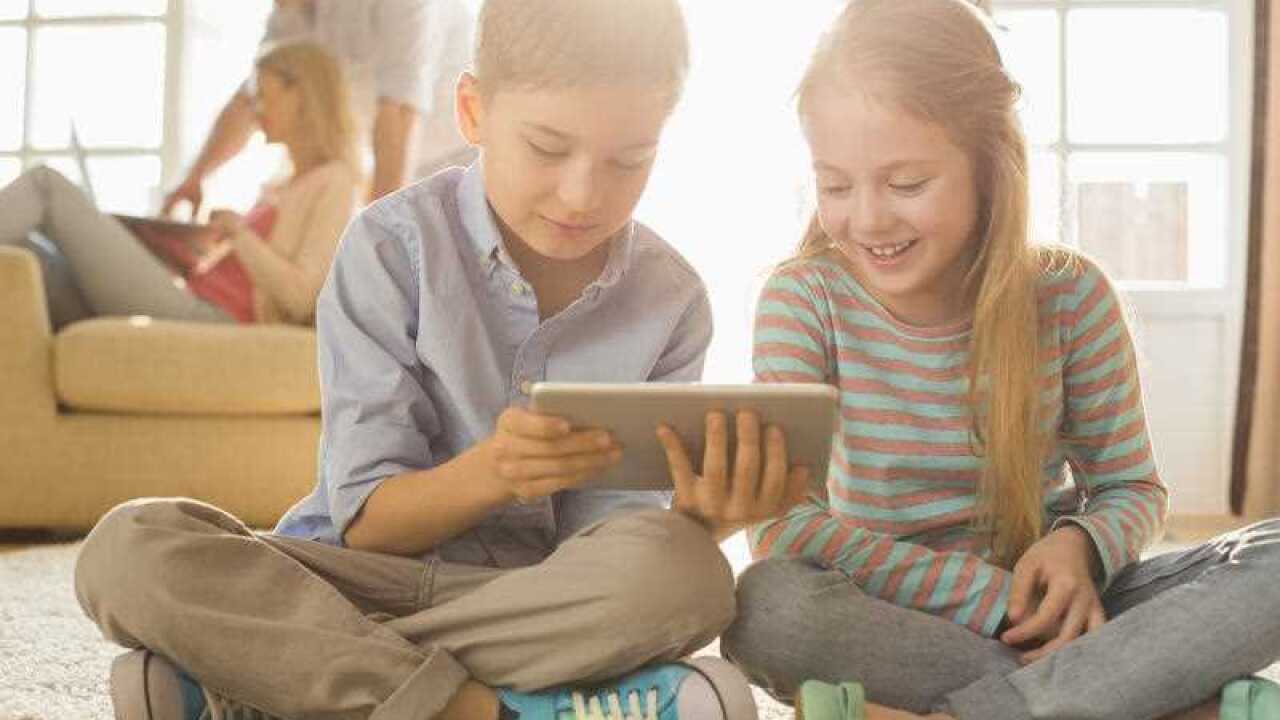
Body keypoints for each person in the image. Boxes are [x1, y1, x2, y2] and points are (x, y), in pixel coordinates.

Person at [75, 1, 811, 719]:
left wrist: (702, 518)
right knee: (127, 547)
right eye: (549, 149)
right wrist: (492, 472)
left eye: (630, 160)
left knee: (691, 577)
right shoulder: (389, 248)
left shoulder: (671, 300)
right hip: (349, 579)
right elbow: (367, 525)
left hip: (528, 602)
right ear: (472, 112)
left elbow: (609, 547)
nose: (583, 194)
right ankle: (489, 708)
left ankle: (260, 683)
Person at [718, 1, 1280, 719]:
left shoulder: (1072, 296)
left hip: (1059, 603)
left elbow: (1132, 488)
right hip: (890, 607)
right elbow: (783, 526)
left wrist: (1079, 545)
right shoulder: (805, 298)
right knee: (767, 607)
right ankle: (1145, 698)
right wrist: (987, 598)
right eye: (835, 184)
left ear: (988, 166)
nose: (867, 219)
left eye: (906, 184)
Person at [0, 42, 360, 326]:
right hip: (189, 295)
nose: (256, 110)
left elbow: (300, 299)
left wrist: (238, 234)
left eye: (264, 96)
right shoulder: (282, 183)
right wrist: (187, 254)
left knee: (45, 186)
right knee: (31, 253)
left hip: (211, 318)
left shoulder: (335, 181)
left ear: (300, 96)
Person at [164, 0, 474, 212]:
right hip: (395, 163)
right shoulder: (293, 10)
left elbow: (398, 112)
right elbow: (253, 95)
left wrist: (380, 235)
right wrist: (195, 177)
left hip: (464, 158)